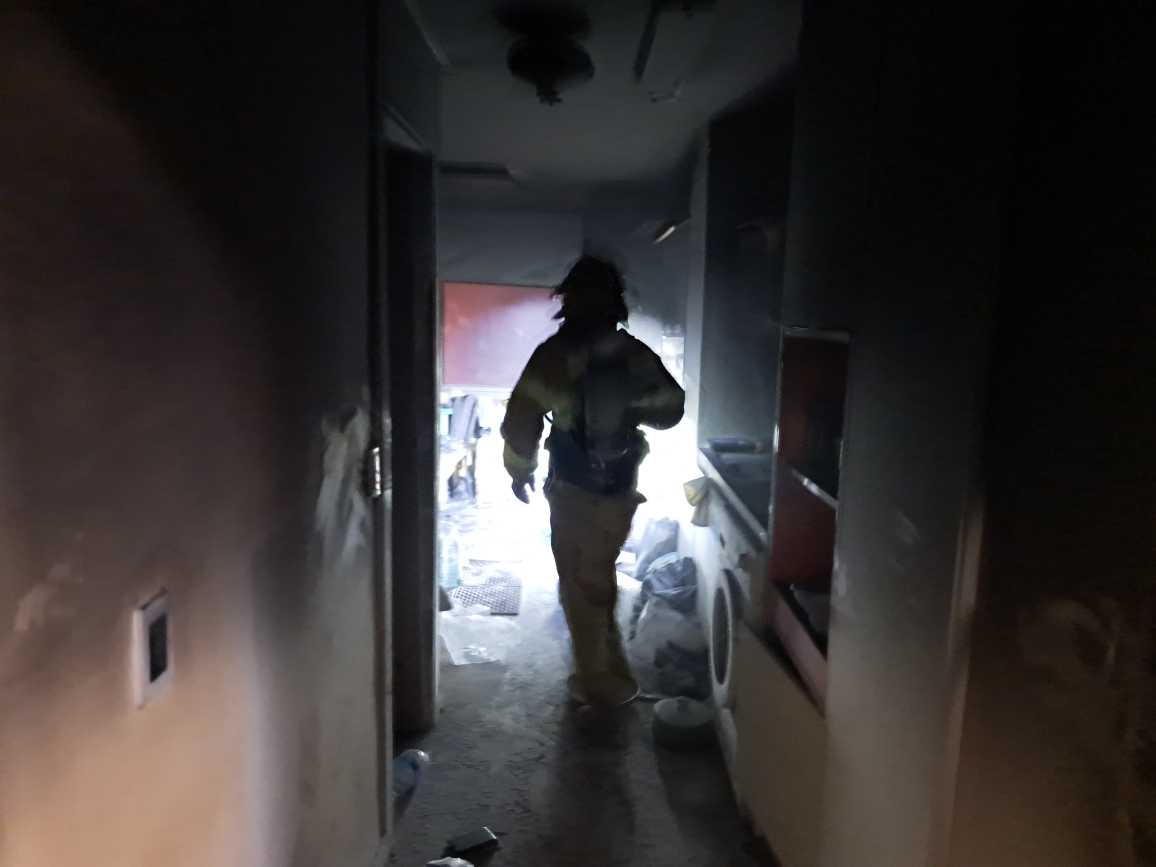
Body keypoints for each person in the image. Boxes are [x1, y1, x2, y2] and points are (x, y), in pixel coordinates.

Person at [501, 256, 685, 706]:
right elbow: (671, 408)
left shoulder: (554, 355)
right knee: (599, 575)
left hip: (571, 487)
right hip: (620, 488)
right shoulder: (633, 353)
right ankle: (612, 669)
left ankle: (597, 683)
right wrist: (631, 409)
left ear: (568, 301)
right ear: (616, 303)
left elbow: (522, 418)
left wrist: (520, 470)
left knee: (579, 584)